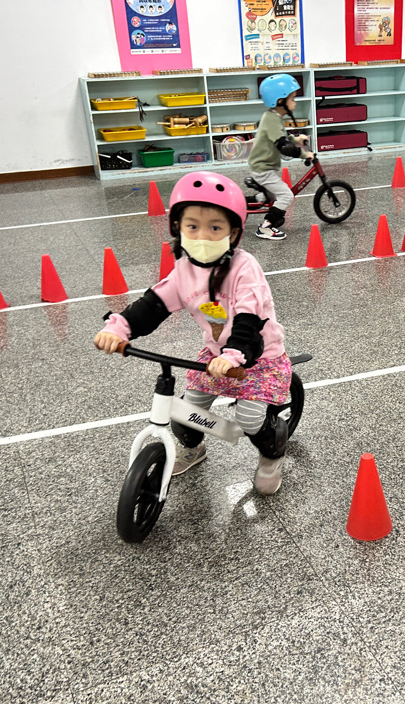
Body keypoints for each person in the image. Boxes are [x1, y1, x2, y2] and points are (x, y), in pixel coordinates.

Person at [93, 171, 293, 495]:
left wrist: (234, 354)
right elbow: (153, 304)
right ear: (178, 228)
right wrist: (120, 328)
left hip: (258, 357)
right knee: (186, 412)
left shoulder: (245, 268)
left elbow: (249, 318)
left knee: (250, 420)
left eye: (215, 228)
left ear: (234, 232)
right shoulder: (183, 270)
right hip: (215, 356)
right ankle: (193, 448)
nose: (203, 236)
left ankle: (273, 455)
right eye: (192, 226)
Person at [247, 74, 312, 240]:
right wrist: (304, 154)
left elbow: (281, 138)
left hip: (262, 166)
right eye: (292, 99)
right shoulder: (272, 120)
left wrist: (296, 140)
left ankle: (245, 203)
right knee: (286, 196)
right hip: (263, 169)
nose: (295, 103)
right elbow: (284, 147)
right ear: (280, 101)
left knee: (271, 196)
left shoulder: (273, 117)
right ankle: (265, 228)